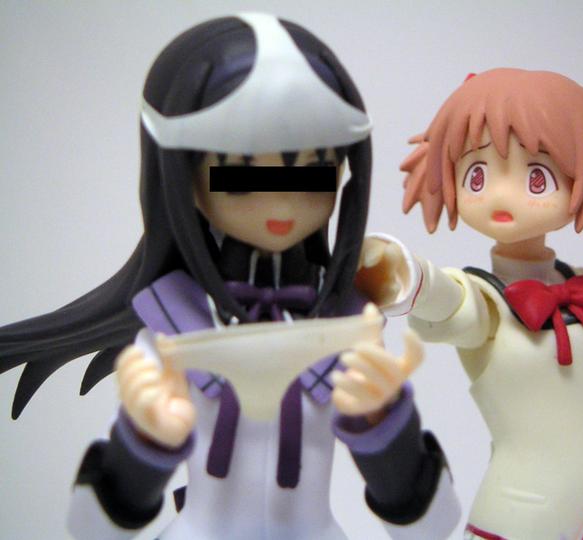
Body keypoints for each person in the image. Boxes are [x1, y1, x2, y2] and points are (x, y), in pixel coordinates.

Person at [0, 14, 459, 539]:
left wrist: (386, 430)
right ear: (184, 178)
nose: (281, 203)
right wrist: (144, 444)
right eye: (240, 175)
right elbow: (94, 529)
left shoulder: (349, 328)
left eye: (315, 172)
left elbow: (431, 527)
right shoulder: (174, 324)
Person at [357, 68, 583, 540]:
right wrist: (401, 271)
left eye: (537, 178)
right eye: (477, 174)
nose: (502, 196)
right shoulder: (486, 299)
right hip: (522, 517)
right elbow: (447, 300)